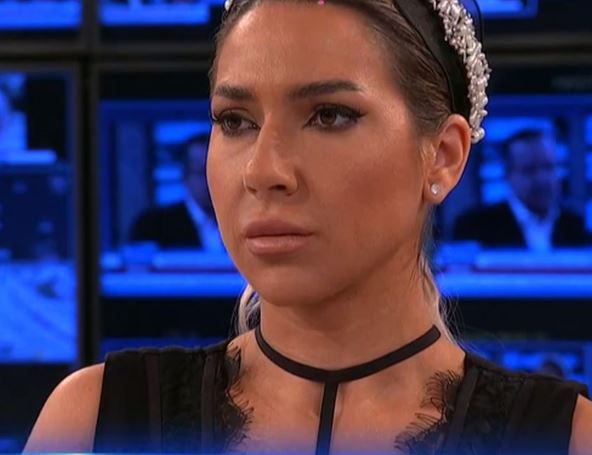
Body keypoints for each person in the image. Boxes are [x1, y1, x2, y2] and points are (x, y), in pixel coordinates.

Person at [25, 1, 592, 454]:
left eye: (329, 115)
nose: (262, 171)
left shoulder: (564, 438)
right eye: (235, 121)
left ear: (443, 156)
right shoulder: (95, 422)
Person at [453, 129, 590, 250]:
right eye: (530, 169)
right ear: (508, 175)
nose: (542, 179)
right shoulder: (475, 227)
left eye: (548, 167)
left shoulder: (577, 228)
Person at [128, 134, 225, 252]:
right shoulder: (152, 227)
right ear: (185, 176)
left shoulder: (240, 222)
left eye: (218, 172)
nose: (211, 180)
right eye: (202, 172)